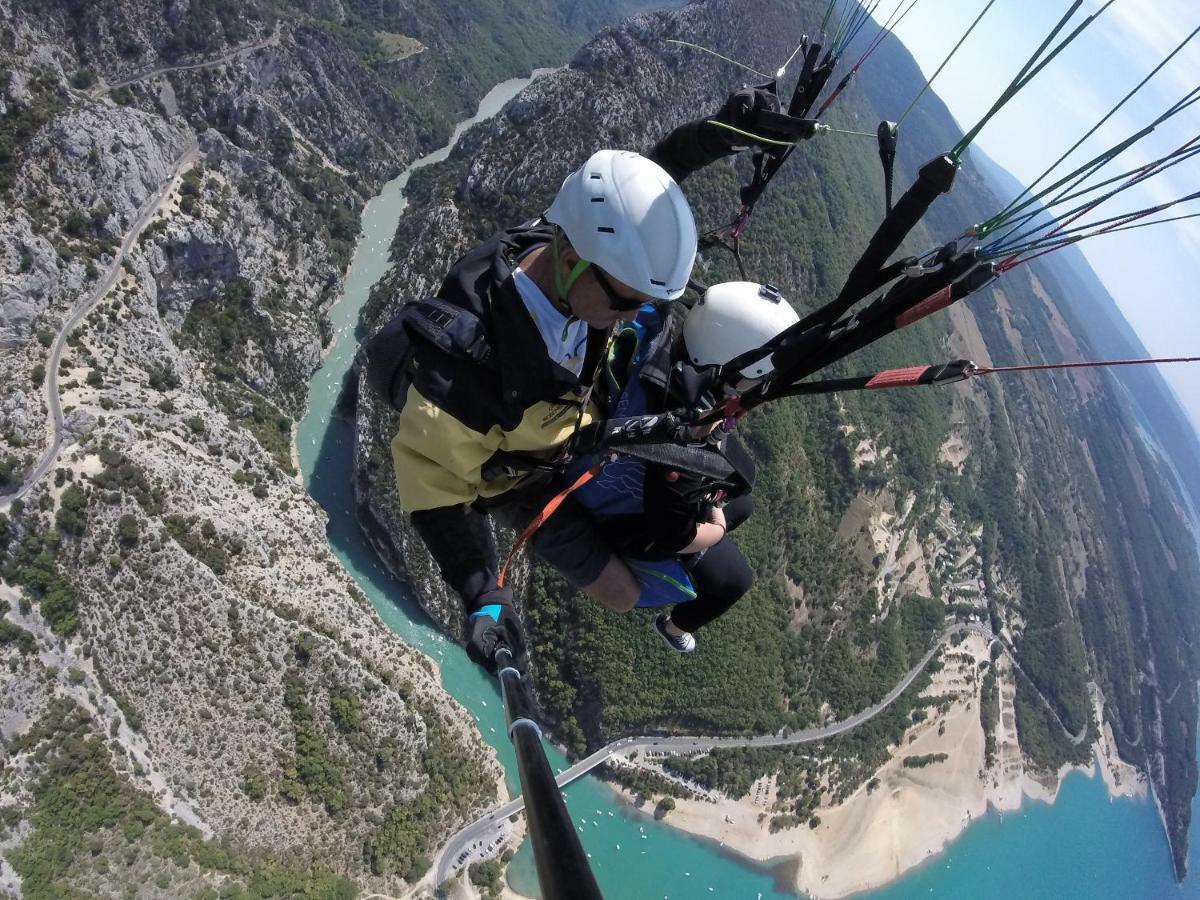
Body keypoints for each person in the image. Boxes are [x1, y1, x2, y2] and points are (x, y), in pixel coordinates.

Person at [366, 86, 794, 673]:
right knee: (621, 593)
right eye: (626, 301)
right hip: (522, 475)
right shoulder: (466, 382)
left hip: (575, 422)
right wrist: (482, 595)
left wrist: (718, 133)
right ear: (571, 263)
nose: (636, 314)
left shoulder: (567, 238)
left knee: (722, 486)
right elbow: (437, 493)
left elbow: (638, 189)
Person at [552, 281, 800, 653]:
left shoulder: (663, 345)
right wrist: (714, 526)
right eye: (757, 377)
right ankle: (673, 626)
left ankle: (709, 517)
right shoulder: (682, 439)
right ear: (728, 363)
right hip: (627, 517)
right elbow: (673, 535)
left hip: (633, 467)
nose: (759, 386)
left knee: (742, 502)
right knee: (733, 580)